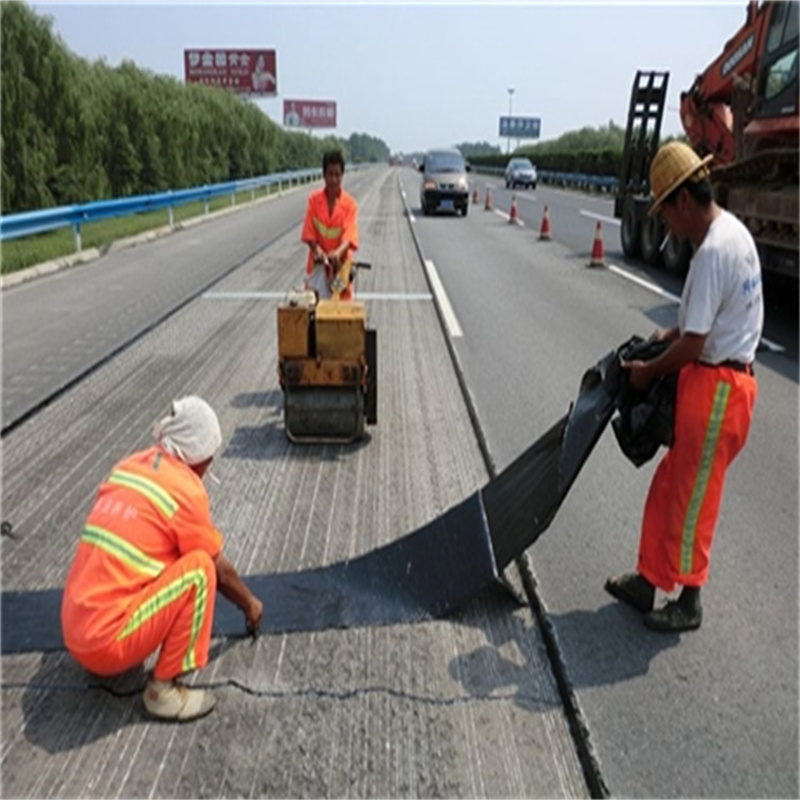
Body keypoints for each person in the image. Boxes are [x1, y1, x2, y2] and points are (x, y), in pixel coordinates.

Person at [606, 141, 763, 633]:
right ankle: (649, 579)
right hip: (714, 383)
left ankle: (689, 599)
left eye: (665, 212)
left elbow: (696, 345)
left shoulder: (714, 251)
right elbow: (702, 326)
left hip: (718, 389)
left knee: (693, 498)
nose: (666, 225)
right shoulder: (727, 234)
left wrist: (648, 371)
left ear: (682, 200)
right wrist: (669, 334)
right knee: (670, 486)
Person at [61, 396, 263, 721]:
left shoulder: (129, 466)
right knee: (199, 568)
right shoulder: (185, 490)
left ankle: (107, 653)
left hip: (74, 631)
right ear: (201, 456)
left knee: (162, 549)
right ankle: (163, 689)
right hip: (107, 644)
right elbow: (220, 571)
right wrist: (251, 605)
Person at [301, 149, 359, 300]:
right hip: (318, 268)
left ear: (342, 175)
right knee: (313, 312)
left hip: (341, 269)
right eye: (330, 174)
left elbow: (348, 237)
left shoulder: (349, 205)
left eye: (337, 175)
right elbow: (309, 234)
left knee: (339, 310)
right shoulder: (314, 201)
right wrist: (317, 250)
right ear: (324, 175)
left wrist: (338, 253)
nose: (333, 179)